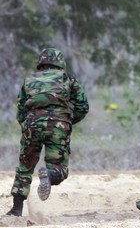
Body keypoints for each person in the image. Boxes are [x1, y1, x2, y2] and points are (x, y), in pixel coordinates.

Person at [6, 48, 89, 217]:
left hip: (32, 125)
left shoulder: (29, 80)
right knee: (59, 169)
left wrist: (28, 125)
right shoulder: (67, 78)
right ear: (60, 63)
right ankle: (49, 175)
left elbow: (21, 111)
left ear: (41, 63)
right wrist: (66, 122)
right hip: (58, 126)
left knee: (25, 166)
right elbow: (82, 107)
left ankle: (16, 209)